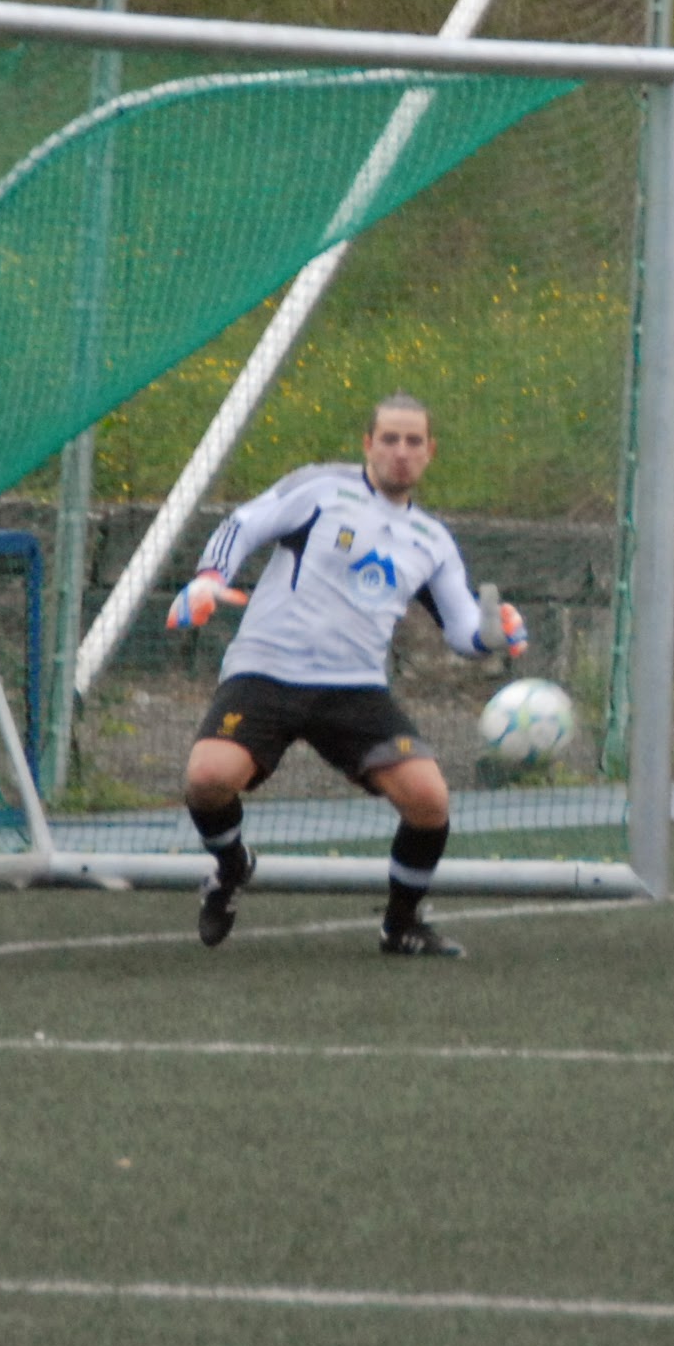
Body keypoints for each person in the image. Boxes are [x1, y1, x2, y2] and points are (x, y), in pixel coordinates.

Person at [167, 395, 530, 957]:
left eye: (413, 441)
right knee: (208, 778)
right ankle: (232, 867)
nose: (401, 451)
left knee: (429, 799)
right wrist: (209, 578)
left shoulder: (433, 541)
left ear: (430, 452)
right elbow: (244, 523)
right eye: (389, 439)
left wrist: (495, 633)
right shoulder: (319, 489)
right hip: (266, 670)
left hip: (355, 688)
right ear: (367, 444)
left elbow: (462, 631)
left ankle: (401, 926)